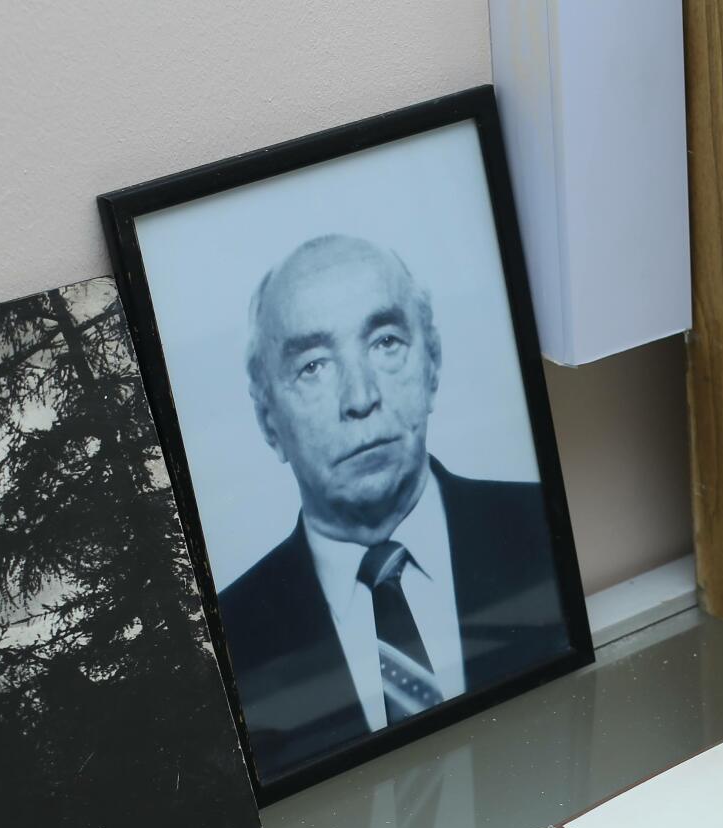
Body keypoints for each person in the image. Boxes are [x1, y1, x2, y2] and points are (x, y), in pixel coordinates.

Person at [215, 234, 571, 780]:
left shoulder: (543, 530)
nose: (361, 397)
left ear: (432, 366)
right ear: (269, 422)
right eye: (313, 366)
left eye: (385, 343)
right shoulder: (229, 640)